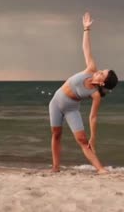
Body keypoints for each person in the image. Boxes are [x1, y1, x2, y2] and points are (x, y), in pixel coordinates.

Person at [49, 12, 118, 174]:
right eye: (102, 70)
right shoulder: (91, 68)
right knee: (56, 134)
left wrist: (93, 137)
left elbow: (93, 117)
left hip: (71, 109)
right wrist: (86, 29)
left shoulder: (95, 94)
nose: (100, 71)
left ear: (102, 82)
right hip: (56, 102)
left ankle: (100, 169)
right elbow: (86, 49)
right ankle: (55, 167)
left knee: (82, 140)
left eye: (103, 73)